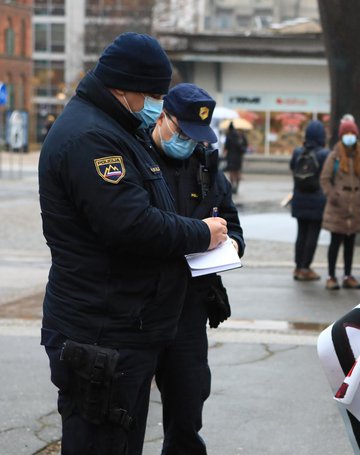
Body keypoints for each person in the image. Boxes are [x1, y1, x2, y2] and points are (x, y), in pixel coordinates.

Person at [38, 33, 227, 454]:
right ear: (122, 87)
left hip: (127, 326)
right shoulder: (92, 138)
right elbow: (131, 225)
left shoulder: (117, 131)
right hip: (101, 330)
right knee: (101, 443)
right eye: (154, 94)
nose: (158, 104)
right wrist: (202, 233)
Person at [146, 83, 245, 453]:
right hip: (142, 304)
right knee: (127, 412)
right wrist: (197, 235)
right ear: (163, 118)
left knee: (188, 406)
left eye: (196, 135)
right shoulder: (137, 157)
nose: (187, 141)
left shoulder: (205, 165)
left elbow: (230, 220)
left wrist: (233, 243)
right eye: (183, 131)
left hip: (189, 307)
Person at [319, 118, 360, 290]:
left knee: (350, 243)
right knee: (335, 243)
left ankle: (348, 275)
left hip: (354, 205)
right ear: (341, 136)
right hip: (338, 207)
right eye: (346, 133)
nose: (350, 137)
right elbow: (325, 179)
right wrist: (333, 195)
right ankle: (331, 276)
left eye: (352, 134)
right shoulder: (334, 156)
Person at [290, 120, 330, 281]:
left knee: (301, 233)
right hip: (317, 199)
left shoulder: (297, 152)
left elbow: (293, 168)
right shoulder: (325, 154)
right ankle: (306, 268)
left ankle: (298, 267)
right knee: (312, 234)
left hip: (299, 197)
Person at [223, 121, 248, 194]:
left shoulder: (229, 136)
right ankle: (237, 185)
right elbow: (245, 145)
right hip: (238, 156)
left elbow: (226, 146)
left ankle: (232, 185)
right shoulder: (240, 136)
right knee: (237, 171)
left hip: (230, 156)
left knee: (231, 171)